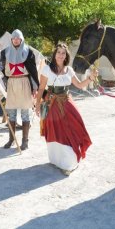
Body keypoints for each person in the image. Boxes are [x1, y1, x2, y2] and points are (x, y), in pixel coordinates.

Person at [34, 43, 97, 175]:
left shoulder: (69, 70)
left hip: (66, 102)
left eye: (63, 53)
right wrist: (38, 104)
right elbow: (41, 88)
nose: (60, 55)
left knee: (74, 128)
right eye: (58, 52)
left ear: (66, 56)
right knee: (55, 131)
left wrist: (90, 78)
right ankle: (57, 160)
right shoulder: (46, 69)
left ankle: (69, 162)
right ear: (54, 54)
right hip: (51, 104)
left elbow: (79, 85)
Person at [0, 29, 39, 150]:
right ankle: (11, 139)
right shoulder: (5, 52)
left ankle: (25, 141)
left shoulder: (28, 52)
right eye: (14, 38)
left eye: (18, 38)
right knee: (11, 114)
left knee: (25, 114)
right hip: (12, 84)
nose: (16, 40)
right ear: (11, 40)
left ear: (22, 39)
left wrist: (35, 87)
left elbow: (33, 71)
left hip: (25, 83)